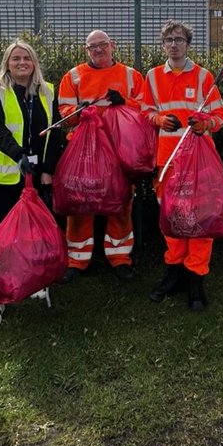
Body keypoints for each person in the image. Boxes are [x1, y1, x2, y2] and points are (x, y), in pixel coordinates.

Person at [0, 40, 65, 329]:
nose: (21, 62)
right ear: (7, 62)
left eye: (27, 57)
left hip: (36, 175)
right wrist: (18, 155)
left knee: (34, 232)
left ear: (34, 62)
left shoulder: (47, 90)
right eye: (16, 58)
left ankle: (34, 281)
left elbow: (55, 132)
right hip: (1, 176)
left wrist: (47, 169)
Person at [140, 21, 223, 311]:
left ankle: (196, 280)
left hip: (198, 162)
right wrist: (158, 120)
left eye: (179, 39)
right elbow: (145, 111)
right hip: (166, 161)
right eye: (169, 39)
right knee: (171, 219)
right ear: (163, 45)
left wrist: (205, 124)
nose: (174, 44)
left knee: (200, 221)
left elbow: (220, 115)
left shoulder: (204, 77)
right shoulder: (152, 76)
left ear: (188, 43)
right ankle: (174, 272)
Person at [56, 29, 146, 282]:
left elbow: (146, 107)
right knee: (79, 203)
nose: (98, 50)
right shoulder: (72, 77)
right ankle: (76, 260)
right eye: (92, 46)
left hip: (120, 150)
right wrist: (78, 111)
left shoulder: (131, 76)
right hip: (84, 153)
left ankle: (120, 258)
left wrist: (124, 103)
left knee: (120, 203)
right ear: (86, 50)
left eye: (102, 45)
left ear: (113, 45)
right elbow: (64, 112)